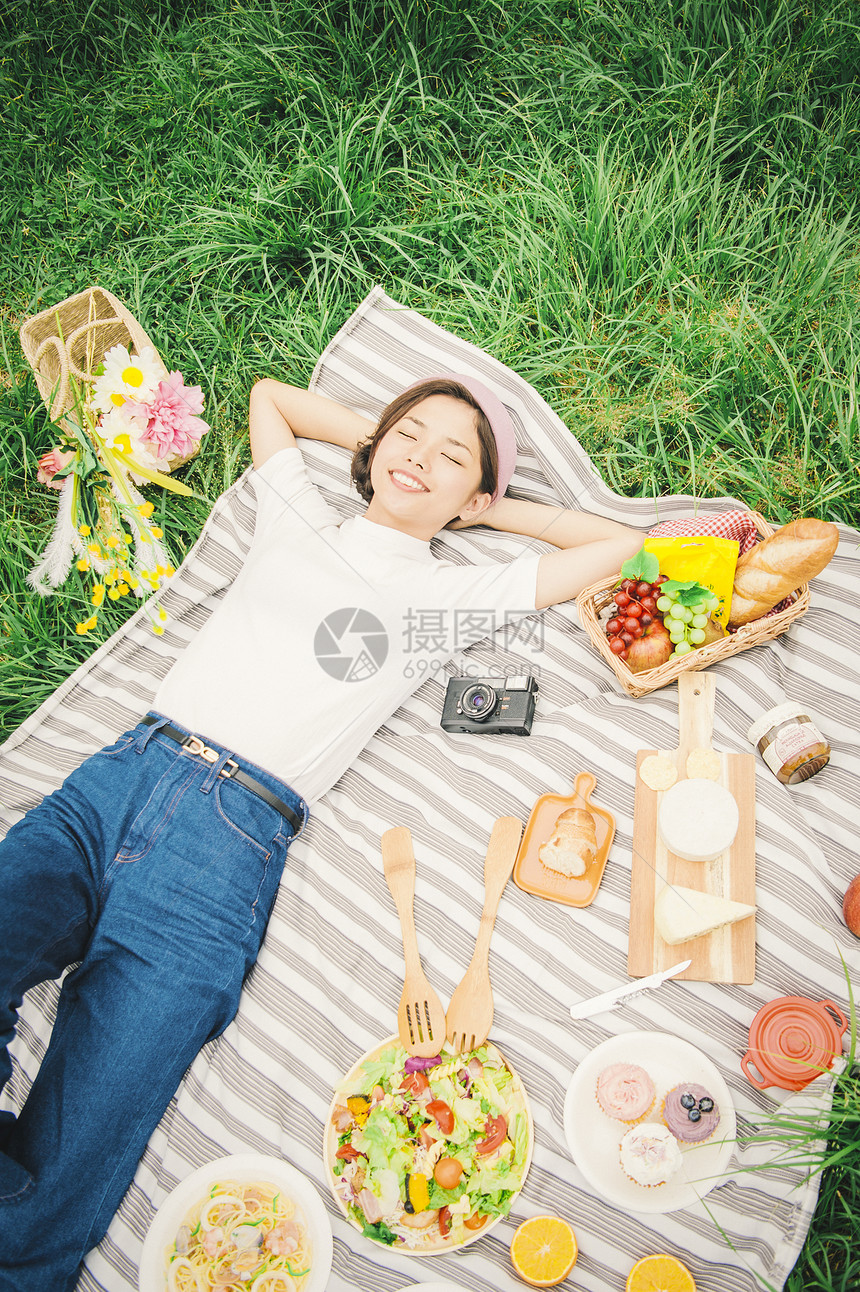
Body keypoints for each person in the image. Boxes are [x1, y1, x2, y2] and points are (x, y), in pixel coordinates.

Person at [0, 373, 640, 1290]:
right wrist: (388, 445)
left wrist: (494, 517)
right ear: (374, 449)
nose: (421, 456)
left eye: (454, 456)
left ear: (478, 497)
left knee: (73, 1161)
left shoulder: (453, 598)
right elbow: (270, 399)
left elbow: (623, 545)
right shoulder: (295, 509)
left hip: (225, 851)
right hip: (115, 782)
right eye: (409, 435)